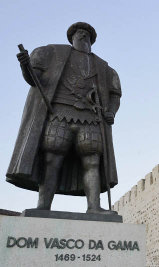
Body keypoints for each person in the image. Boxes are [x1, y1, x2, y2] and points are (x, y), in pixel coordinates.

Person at [7, 22, 121, 214]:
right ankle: (43, 206)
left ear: (92, 40)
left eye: (87, 34)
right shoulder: (52, 53)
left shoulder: (104, 68)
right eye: (79, 32)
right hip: (59, 113)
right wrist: (25, 66)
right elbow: (35, 80)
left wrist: (111, 111)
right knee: (52, 158)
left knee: (92, 160)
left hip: (91, 117)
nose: (83, 35)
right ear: (72, 37)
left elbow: (114, 94)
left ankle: (94, 207)